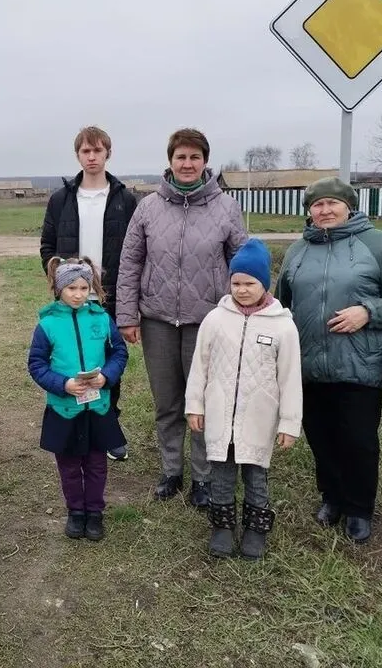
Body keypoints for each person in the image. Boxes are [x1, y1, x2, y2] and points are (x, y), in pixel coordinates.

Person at [276, 177, 382, 544]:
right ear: (309, 211)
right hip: (308, 364)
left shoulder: (378, 244)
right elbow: (282, 302)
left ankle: (359, 508)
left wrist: (368, 312)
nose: (325, 210)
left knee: (358, 439)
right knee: (320, 436)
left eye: (332, 203)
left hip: (359, 362)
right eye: (317, 205)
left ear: (349, 207)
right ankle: (332, 497)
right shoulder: (298, 250)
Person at [115, 128, 248, 506]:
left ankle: (203, 477)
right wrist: (127, 315)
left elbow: (243, 262)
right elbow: (130, 263)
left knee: (203, 402)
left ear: (205, 162)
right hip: (157, 320)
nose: (187, 164)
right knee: (167, 401)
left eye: (194, 157)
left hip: (207, 322)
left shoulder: (226, 208)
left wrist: (243, 312)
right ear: (170, 161)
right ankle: (171, 470)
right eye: (181, 157)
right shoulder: (148, 207)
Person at [185, 238, 302, 560]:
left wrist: (290, 423)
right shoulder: (215, 319)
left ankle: (255, 529)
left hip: (257, 418)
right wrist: (195, 405)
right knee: (221, 474)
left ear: (264, 283)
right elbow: (200, 366)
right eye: (236, 283)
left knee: (255, 474)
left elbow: (290, 377)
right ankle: (222, 526)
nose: (242, 290)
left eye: (250, 283)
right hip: (220, 414)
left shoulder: (283, 326)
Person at [40, 126, 138, 461]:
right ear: (78, 155)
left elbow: (136, 250)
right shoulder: (61, 199)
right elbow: (47, 246)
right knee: (73, 361)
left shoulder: (125, 200)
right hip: (73, 298)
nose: (92, 157)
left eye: (98, 150)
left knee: (107, 363)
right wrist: (62, 283)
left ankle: (108, 429)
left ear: (108, 153)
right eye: (86, 151)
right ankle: (73, 425)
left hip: (108, 299)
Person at [27, 257, 129, 542]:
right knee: (70, 465)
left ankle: (94, 512)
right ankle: (76, 511)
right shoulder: (47, 325)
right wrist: (63, 384)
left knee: (96, 463)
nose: (78, 294)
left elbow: (119, 353)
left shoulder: (102, 319)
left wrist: (106, 376)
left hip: (98, 407)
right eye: (71, 288)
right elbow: (36, 365)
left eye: (84, 288)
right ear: (59, 288)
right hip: (64, 409)